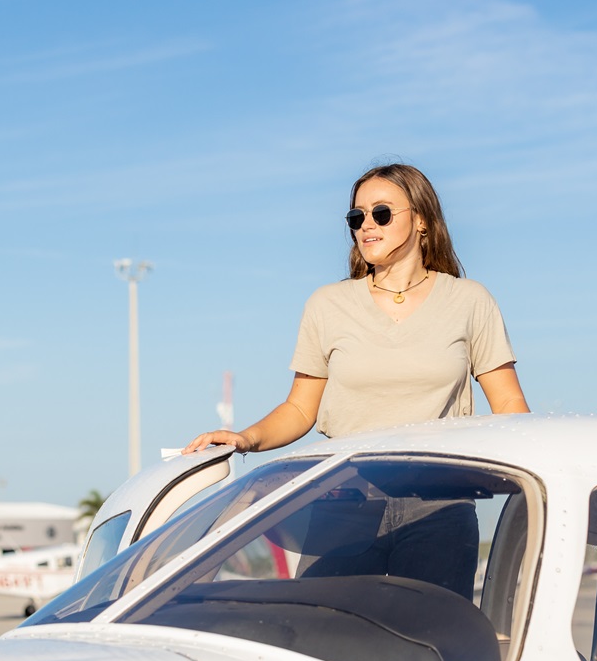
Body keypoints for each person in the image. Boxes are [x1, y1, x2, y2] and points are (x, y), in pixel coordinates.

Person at [186, 162, 529, 457]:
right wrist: (246, 438)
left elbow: (509, 406)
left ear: (422, 221)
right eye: (357, 216)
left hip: (440, 503)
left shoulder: (470, 300)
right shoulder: (327, 304)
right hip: (345, 501)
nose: (366, 225)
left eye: (381, 213)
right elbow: (300, 408)